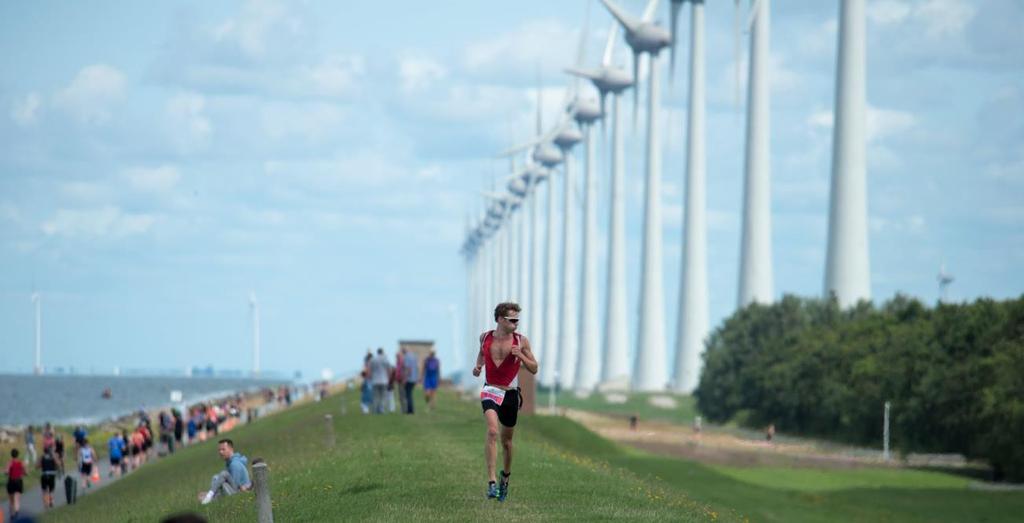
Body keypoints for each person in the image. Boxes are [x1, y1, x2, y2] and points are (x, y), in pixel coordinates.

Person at [473, 302, 538, 502]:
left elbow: (534, 368)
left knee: (507, 442)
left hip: (510, 395)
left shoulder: (521, 341)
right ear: (500, 319)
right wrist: (478, 366)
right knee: (493, 431)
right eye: (512, 320)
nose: (516, 323)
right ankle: (491, 482)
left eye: (518, 319)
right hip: (490, 390)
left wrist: (522, 357)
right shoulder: (485, 337)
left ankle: (505, 479)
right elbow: (482, 354)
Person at [198, 439, 251, 504]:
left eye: (223, 449)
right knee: (216, 477)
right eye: (219, 450)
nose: (220, 452)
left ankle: (209, 497)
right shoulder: (230, 463)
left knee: (223, 475)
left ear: (231, 449)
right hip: (235, 491)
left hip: (240, 495)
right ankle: (210, 496)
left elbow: (237, 488)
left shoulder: (234, 464)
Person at [369, 348, 391, 414]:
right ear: (382, 352)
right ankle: (381, 409)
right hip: (384, 380)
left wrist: (371, 377)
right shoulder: (385, 359)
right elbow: (389, 369)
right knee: (383, 396)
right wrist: (389, 378)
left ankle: (375, 409)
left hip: (375, 380)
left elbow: (370, 369)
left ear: (377, 352)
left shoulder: (373, 359)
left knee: (375, 396)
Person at [6, 449, 26, 520]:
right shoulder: (21, 462)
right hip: (19, 481)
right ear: (18, 455)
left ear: (11, 455)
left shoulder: (9, 463)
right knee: (17, 499)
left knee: (11, 500)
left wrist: (8, 473)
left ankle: (11, 515)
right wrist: (23, 473)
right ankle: (17, 512)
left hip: (11, 481)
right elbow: (25, 472)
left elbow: (6, 471)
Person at [402, 348, 419, 414]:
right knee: (410, 394)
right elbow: (417, 368)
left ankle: (410, 410)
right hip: (414, 378)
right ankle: (411, 409)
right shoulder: (414, 357)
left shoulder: (406, 357)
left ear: (404, 352)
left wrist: (405, 378)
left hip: (409, 379)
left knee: (408, 395)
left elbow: (408, 368)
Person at [395, 348, 407, 413]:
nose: (396, 357)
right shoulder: (398, 362)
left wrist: (404, 379)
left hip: (402, 380)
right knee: (400, 396)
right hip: (399, 380)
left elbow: (404, 371)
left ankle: (404, 409)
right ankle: (402, 409)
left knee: (403, 395)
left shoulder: (402, 361)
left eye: (397, 355)